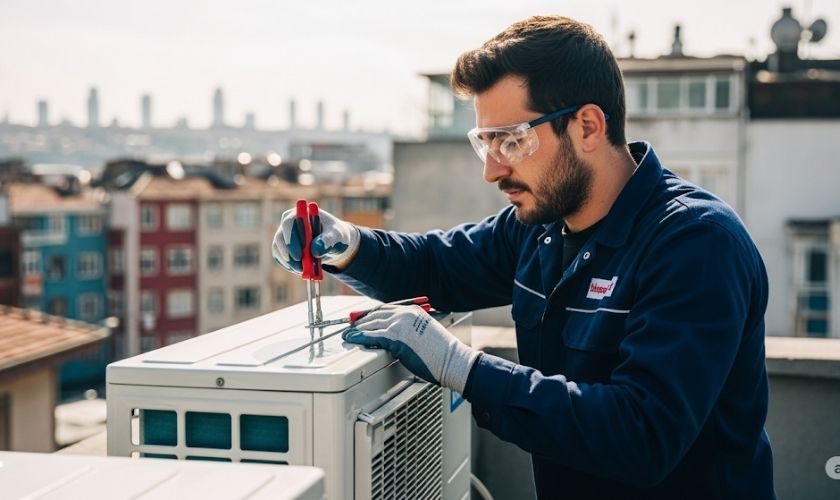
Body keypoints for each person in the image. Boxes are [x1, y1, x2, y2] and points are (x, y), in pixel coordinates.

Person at [272, 15, 775, 499]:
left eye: (512, 140)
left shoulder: (696, 243)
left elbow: (642, 436)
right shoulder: (542, 228)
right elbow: (437, 266)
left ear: (588, 127)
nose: (493, 171)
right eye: (486, 143)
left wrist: (462, 367)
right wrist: (346, 244)